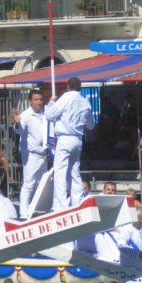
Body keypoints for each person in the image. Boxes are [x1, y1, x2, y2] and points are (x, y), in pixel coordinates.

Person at [44, 76, 94, 211]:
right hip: (78, 139)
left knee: (60, 171)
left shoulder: (65, 98)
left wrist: (51, 103)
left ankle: (61, 205)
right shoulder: (85, 102)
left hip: (65, 138)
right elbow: (90, 125)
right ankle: (77, 201)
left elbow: (49, 115)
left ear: (68, 86)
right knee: (74, 171)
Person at [13, 89, 48, 219]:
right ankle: (23, 212)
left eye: (40, 99)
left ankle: (35, 208)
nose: (39, 102)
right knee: (29, 183)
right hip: (31, 155)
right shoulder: (26, 115)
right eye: (36, 99)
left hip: (43, 154)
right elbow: (19, 129)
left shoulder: (44, 114)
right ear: (30, 101)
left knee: (40, 183)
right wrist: (17, 122)